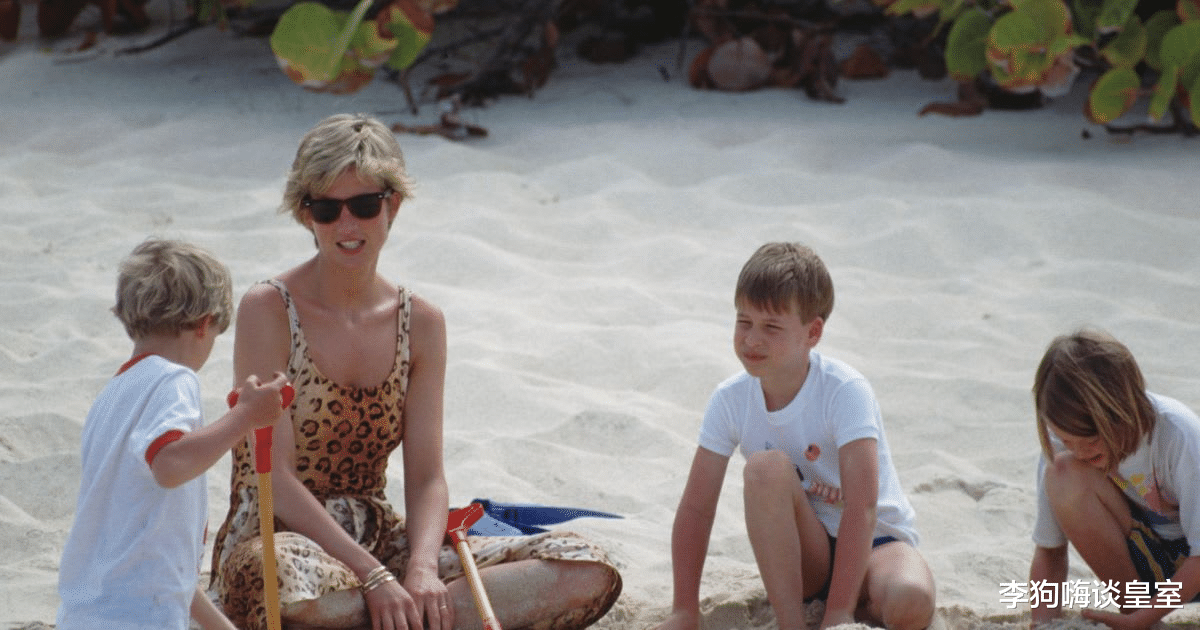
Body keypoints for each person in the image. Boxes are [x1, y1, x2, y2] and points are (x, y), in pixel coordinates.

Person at [209, 113, 621, 630]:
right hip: (285, 538)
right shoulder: (268, 308)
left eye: (364, 205)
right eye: (327, 209)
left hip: (380, 535)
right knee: (282, 579)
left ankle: (395, 618)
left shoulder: (421, 322)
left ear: (393, 205)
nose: (347, 225)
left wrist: (421, 569)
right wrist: (374, 577)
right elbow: (278, 479)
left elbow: (427, 478)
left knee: (586, 565)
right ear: (305, 214)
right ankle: (413, 618)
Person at [653, 242, 936, 630]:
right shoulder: (729, 399)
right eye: (744, 321)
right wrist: (684, 609)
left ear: (812, 332)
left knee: (910, 602)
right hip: (808, 555)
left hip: (876, 544)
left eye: (771, 327)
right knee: (764, 469)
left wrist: (838, 616)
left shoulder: (844, 390)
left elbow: (863, 507)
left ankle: (856, 607)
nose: (752, 339)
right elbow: (696, 509)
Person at [56, 239, 291, 630]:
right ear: (202, 325)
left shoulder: (112, 397)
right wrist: (245, 416)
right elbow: (169, 464)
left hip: (87, 614)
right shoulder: (173, 380)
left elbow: (166, 570)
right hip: (136, 619)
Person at [1029, 329, 1200, 629]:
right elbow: (1050, 550)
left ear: (1125, 409)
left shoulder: (1178, 435)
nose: (1079, 452)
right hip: (1152, 561)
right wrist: (1042, 624)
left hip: (1194, 561)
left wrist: (1141, 620)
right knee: (1063, 473)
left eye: (1091, 439)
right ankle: (1136, 611)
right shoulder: (1062, 448)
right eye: (1067, 440)